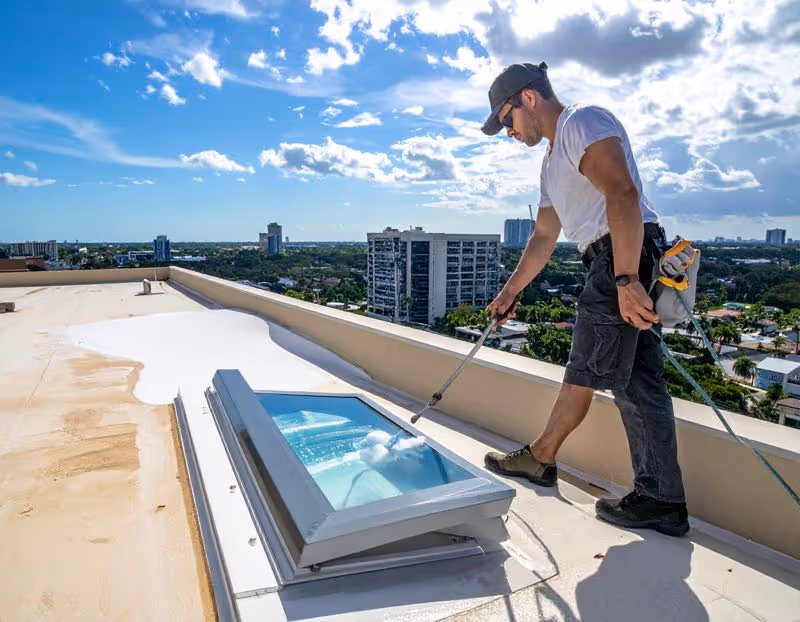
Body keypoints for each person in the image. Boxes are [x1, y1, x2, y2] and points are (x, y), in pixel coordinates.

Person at [480, 62, 690, 537]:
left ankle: (541, 457)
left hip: (621, 254)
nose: (508, 133)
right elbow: (544, 236)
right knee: (637, 383)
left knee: (585, 368)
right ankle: (662, 498)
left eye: (507, 120)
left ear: (528, 99)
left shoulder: (581, 121)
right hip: (614, 256)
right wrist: (510, 290)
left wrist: (624, 278)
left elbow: (622, 192)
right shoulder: (551, 161)